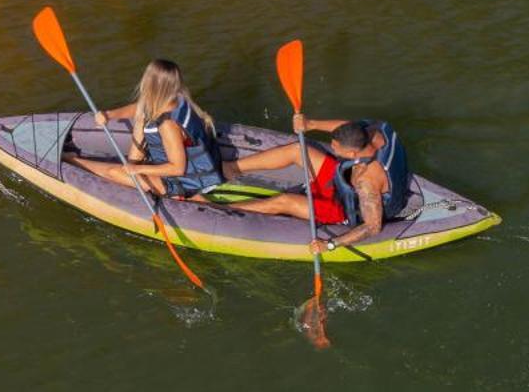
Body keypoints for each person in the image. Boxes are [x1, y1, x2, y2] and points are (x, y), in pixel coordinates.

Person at [222, 113, 412, 250]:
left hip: (344, 208)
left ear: (353, 154)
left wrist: (330, 244)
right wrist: (310, 124)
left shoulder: (366, 182)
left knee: (284, 201)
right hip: (342, 182)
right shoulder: (375, 132)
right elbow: (346, 126)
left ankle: (221, 208)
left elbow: (372, 227)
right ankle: (231, 168)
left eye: (337, 149)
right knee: (297, 150)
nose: (332, 149)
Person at [67, 59, 223, 200]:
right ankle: (74, 159)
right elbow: (139, 108)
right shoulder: (176, 101)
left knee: (113, 173)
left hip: (185, 181)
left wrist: (137, 169)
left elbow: (178, 168)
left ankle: (72, 160)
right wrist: (109, 115)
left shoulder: (168, 125)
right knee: (141, 118)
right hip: (189, 169)